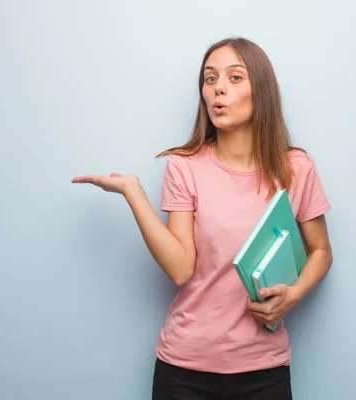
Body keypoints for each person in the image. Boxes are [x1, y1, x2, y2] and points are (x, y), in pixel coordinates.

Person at [72, 37, 333, 400]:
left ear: (262, 91)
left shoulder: (296, 168)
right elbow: (181, 269)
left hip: (264, 369)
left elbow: (321, 251)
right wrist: (134, 192)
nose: (218, 89)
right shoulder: (184, 167)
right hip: (184, 370)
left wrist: (294, 295)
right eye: (210, 79)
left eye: (235, 78)